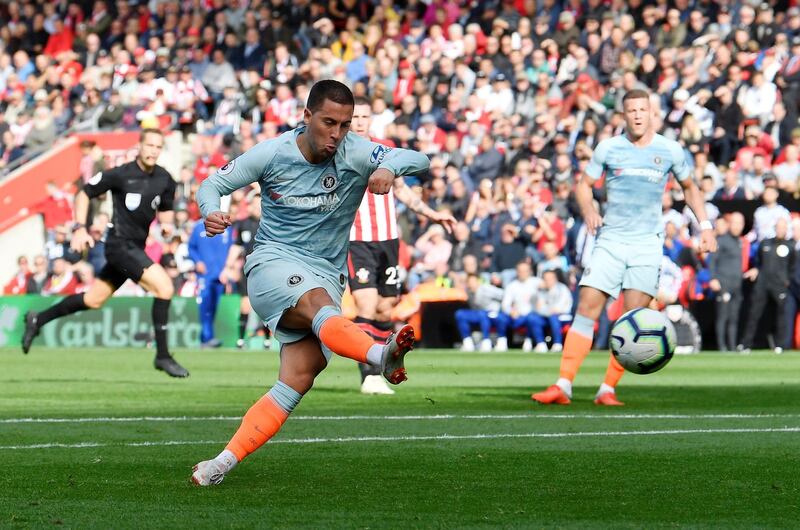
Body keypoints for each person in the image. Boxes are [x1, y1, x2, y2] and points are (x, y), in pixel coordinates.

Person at [191, 80, 427, 486]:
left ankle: (221, 463)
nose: (336, 134)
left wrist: (389, 166)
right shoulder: (272, 153)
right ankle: (377, 355)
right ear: (306, 117)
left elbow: (418, 158)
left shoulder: (355, 150)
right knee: (317, 305)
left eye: (345, 125)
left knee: (299, 377)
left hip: (327, 273)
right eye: (328, 122)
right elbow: (212, 184)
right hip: (272, 263)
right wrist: (211, 211)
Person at [532, 89, 717, 406]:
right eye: (631, 110)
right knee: (587, 306)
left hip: (647, 244)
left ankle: (607, 389)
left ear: (651, 113)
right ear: (624, 115)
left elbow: (690, 187)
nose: (637, 115)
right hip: (611, 240)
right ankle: (563, 385)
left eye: (642, 109)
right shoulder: (609, 148)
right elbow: (583, 185)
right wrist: (589, 210)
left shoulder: (669, 150)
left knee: (633, 318)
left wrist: (706, 226)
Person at [21, 129, 190, 378]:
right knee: (164, 288)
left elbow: (165, 212)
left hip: (135, 248)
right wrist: (79, 228)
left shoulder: (165, 179)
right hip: (119, 245)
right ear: (139, 147)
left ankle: (38, 319)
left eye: (158, 146)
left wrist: (167, 229)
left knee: (93, 300)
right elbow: (84, 193)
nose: (153, 150)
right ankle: (163, 356)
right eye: (149, 145)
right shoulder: (121, 174)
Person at [347, 96, 455, 394]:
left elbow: (403, 192)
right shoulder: (341, 151)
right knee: (366, 303)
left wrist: (432, 214)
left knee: (385, 309)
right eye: (355, 117)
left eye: (365, 117)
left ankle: (378, 369)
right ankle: (369, 375)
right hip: (358, 240)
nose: (360, 122)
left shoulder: (384, 150)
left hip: (389, 241)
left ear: (371, 120)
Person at [220, 194, 271, 349]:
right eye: (254, 205)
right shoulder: (243, 224)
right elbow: (237, 246)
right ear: (249, 206)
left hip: (267, 270)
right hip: (248, 270)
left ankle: (267, 340)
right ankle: (241, 340)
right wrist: (227, 267)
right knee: (245, 305)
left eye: (259, 205)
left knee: (266, 306)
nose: (257, 208)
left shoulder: (270, 223)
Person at [740, 218, 796, 354]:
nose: (780, 230)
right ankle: (746, 344)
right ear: (775, 228)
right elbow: (758, 262)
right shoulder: (765, 244)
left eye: (783, 227)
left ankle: (780, 345)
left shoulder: (790, 246)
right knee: (754, 314)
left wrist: (786, 280)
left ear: (786, 229)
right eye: (778, 227)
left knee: (781, 316)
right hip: (763, 283)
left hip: (780, 285)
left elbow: (792, 266)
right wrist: (756, 270)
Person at [188, 218, 233, 348]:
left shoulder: (227, 227)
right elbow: (191, 247)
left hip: (220, 275)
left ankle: (206, 338)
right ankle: (208, 338)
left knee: (213, 307)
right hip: (205, 274)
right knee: (205, 306)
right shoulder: (198, 227)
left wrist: (227, 269)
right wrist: (197, 261)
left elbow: (232, 248)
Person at [708, 216, 743, 352]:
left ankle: (732, 346)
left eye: (740, 224)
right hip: (724, 284)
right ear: (729, 225)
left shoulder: (739, 241)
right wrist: (713, 278)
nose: (737, 226)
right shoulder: (722, 240)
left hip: (736, 286)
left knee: (734, 317)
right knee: (723, 316)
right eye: (735, 223)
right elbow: (712, 261)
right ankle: (722, 347)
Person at [529, 270, 573, 353]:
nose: (547, 281)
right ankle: (540, 344)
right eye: (545, 279)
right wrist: (538, 291)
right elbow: (538, 307)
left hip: (562, 317)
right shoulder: (541, 290)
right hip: (546, 316)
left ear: (555, 279)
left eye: (550, 279)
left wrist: (545, 309)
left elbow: (558, 309)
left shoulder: (562, 289)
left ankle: (557, 344)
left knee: (553, 317)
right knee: (532, 318)